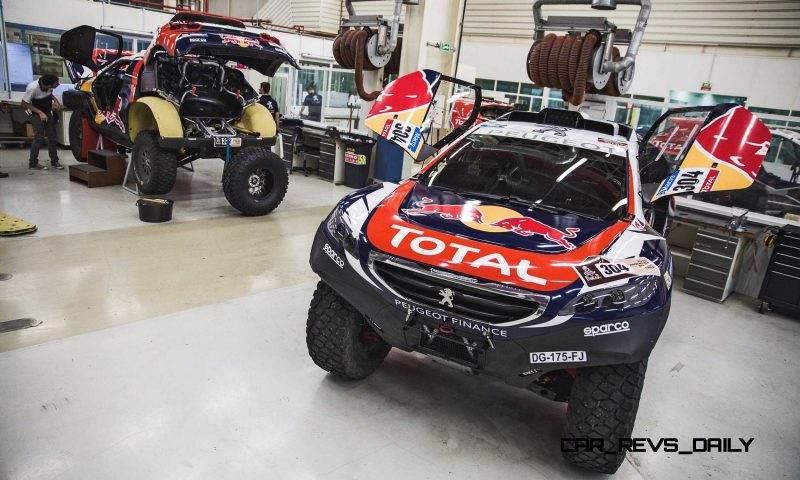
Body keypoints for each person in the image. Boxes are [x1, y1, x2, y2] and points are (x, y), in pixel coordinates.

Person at [21, 74, 63, 170]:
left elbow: (49, 93)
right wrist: (40, 112)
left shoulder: (48, 86)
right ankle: (33, 163)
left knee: (52, 136)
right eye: (56, 83)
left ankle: (54, 161)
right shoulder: (33, 88)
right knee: (39, 137)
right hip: (34, 112)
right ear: (48, 85)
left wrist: (55, 100)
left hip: (47, 111)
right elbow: (23, 103)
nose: (58, 84)